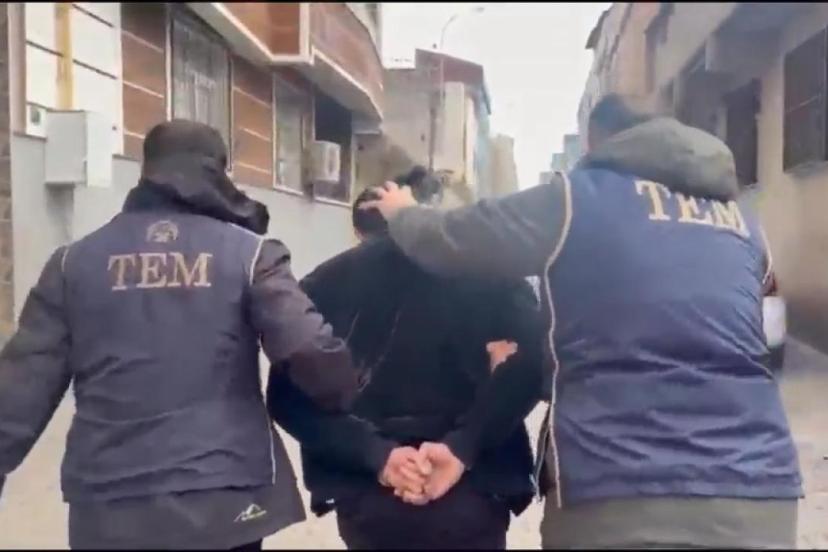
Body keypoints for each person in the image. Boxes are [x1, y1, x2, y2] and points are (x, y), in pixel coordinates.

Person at [363, 95, 803, 549]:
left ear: (597, 143)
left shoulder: (575, 199)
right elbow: (761, 339)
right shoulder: (745, 223)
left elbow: (450, 240)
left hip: (616, 490)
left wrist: (402, 210)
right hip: (761, 492)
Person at [0, 120, 358, 550]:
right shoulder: (249, 255)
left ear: (145, 170)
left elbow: (21, 387)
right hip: (223, 497)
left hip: (108, 503)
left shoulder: (72, 263)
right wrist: (347, 397)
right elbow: (309, 350)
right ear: (220, 171)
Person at [267, 167, 544, 550]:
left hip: (367, 495)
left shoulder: (327, 282)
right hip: (476, 491)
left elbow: (287, 397)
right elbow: (532, 369)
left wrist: (378, 455)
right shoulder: (493, 277)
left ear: (360, 230)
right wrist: (463, 445)